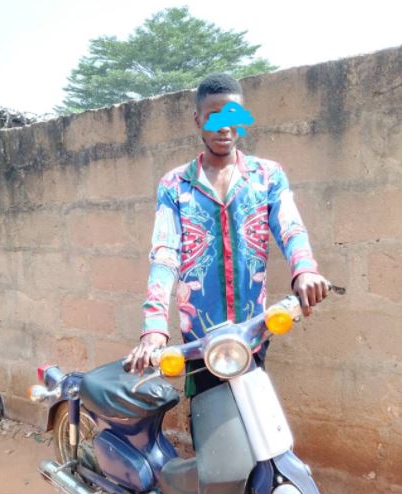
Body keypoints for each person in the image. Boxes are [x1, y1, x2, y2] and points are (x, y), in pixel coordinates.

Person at [125, 73, 329, 397]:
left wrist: (304, 270)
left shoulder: (266, 176)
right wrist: (154, 328)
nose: (224, 127)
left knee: (255, 412)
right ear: (198, 120)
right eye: (213, 117)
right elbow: (165, 255)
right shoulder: (175, 185)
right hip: (199, 341)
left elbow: (291, 228)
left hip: (252, 333)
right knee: (206, 415)